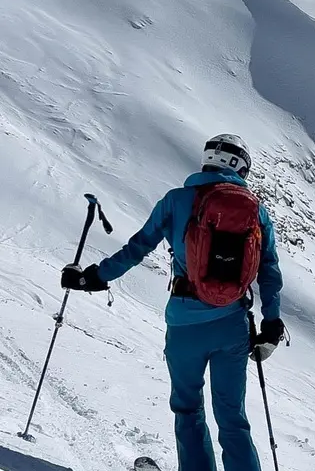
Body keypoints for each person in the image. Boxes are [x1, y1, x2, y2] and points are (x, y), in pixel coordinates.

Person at [61, 134, 285, 471]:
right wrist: (271, 323)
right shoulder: (256, 211)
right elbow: (268, 270)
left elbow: (136, 248)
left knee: (188, 406)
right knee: (232, 415)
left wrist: (92, 277)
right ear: (242, 168)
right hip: (232, 326)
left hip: (184, 324)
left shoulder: (177, 201)